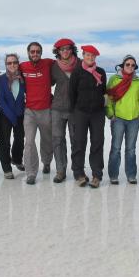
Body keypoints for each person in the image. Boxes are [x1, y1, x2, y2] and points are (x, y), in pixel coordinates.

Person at [69, 45, 107, 188]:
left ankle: (97, 175)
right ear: (83, 56)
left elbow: (104, 92)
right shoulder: (77, 72)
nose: (90, 58)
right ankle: (79, 174)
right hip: (81, 112)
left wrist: (104, 108)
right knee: (79, 143)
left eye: (92, 56)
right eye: (87, 55)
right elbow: (72, 93)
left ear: (95, 57)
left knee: (97, 142)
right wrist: (74, 112)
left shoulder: (101, 72)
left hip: (97, 113)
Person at [106, 55, 139, 185]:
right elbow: (108, 97)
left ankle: (131, 175)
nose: (130, 67)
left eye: (133, 65)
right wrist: (111, 114)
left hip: (134, 119)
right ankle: (113, 175)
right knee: (116, 148)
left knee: (131, 149)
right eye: (127, 64)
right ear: (123, 65)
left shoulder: (138, 81)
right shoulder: (114, 79)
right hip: (118, 118)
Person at [20, 42, 54, 185]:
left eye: (38, 51)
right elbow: (10, 75)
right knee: (29, 142)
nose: (35, 54)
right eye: (32, 51)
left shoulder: (48, 63)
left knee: (47, 139)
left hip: (46, 109)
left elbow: (65, 62)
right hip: (29, 111)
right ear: (28, 53)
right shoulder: (22, 66)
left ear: (41, 52)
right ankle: (31, 172)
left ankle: (46, 162)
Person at [50, 38, 79, 183]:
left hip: (75, 109)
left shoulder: (80, 64)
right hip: (57, 109)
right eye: (62, 49)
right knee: (57, 140)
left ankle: (77, 170)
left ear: (72, 49)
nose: (65, 51)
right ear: (58, 52)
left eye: (68, 48)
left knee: (76, 140)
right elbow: (46, 84)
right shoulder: (54, 66)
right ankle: (60, 170)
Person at [0, 53, 26, 179]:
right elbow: (1, 100)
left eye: (14, 62)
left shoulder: (22, 78)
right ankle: (6, 168)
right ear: (6, 65)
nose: (12, 65)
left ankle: (16, 159)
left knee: (20, 139)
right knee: (5, 142)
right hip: (6, 115)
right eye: (9, 63)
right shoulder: (1, 79)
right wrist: (11, 116)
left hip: (20, 113)